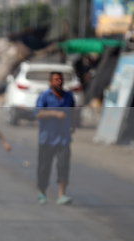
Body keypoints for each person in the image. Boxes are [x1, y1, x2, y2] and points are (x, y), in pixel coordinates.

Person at [34, 72, 75, 205]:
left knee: (63, 167)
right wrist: (55, 113)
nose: (59, 82)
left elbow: (73, 112)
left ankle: (61, 194)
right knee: (44, 168)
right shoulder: (44, 96)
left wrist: (73, 124)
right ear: (50, 81)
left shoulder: (68, 96)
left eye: (60, 80)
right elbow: (38, 113)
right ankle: (41, 193)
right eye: (56, 79)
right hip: (47, 139)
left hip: (63, 139)